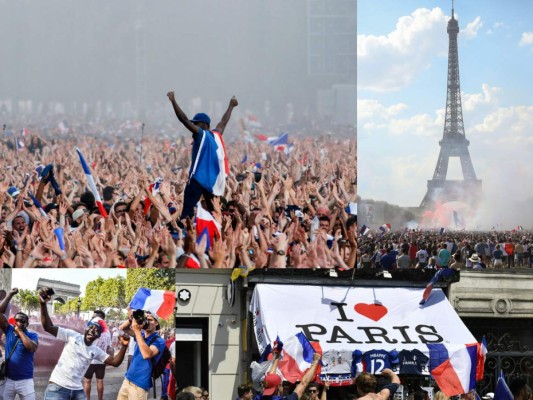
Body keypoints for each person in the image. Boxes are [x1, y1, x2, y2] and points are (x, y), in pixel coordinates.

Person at [38, 287, 129, 400]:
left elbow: (115, 362)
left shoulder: (95, 351)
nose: (92, 330)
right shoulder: (72, 335)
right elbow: (48, 327)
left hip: (77, 390)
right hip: (57, 387)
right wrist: (43, 304)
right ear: (86, 329)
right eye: (91, 327)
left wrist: (124, 346)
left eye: (96, 330)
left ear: (98, 336)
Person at [167, 91, 238, 220]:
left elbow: (183, 119)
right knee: (214, 211)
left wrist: (173, 101)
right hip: (211, 182)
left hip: (198, 179)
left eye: (196, 123)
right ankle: (218, 231)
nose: (193, 125)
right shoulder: (216, 135)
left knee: (188, 211)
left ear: (204, 125)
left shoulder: (201, 135)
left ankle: (184, 232)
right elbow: (223, 122)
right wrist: (231, 106)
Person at [118, 310, 166, 400]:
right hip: (127, 379)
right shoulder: (141, 336)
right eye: (145, 319)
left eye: (150, 320)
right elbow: (123, 328)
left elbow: (147, 354)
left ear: (156, 323)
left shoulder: (159, 341)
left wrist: (137, 331)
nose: (147, 322)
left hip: (140, 385)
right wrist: (131, 318)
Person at [0, 288, 39, 400]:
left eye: (23, 321)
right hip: (8, 380)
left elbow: (31, 347)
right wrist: (10, 294)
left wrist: (20, 332)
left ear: (27, 324)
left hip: (25, 381)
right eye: (17, 320)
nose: (19, 323)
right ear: (13, 321)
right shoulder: (8, 330)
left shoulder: (32, 335)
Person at [83, 310, 113, 400]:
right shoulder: (107, 331)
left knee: (87, 380)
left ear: (97, 317)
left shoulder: (91, 328)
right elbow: (109, 347)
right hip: (102, 359)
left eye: (93, 316)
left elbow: (85, 342)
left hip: (90, 359)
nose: (92, 317)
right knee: (100, 381)